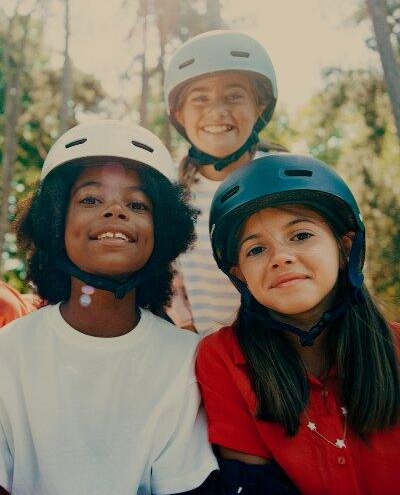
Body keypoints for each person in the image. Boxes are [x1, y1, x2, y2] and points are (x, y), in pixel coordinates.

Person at [0, 120, 218, 495]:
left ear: (160, 229)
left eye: (137, 204)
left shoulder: (186, 358)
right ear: (56, 222)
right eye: (90, 199)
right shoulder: (9, 351)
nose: (115, 211)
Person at [196, 153, 400, 494]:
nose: (281, 257)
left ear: (345, 247)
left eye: (301, 235)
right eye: (256, 250)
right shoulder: (223, 359)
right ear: (240, 275)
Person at [164, 29, 281, 336]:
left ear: (260, 106)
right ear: (179, 113)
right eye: (200, 98)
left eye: (233, 96)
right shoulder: (170, 190)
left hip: (283, 347)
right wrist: (185, 324)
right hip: (208, 352)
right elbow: (169, 274)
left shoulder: (282, 178)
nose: (217, 111)